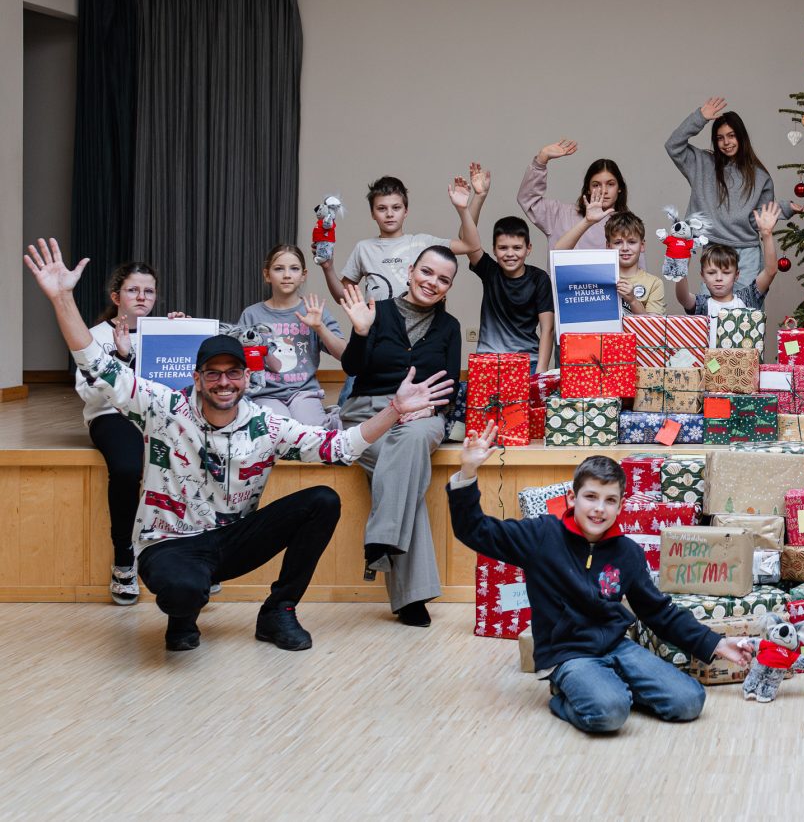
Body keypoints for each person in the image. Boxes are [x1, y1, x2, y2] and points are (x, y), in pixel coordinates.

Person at [24, 238, 452, 652]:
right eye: (213, 373)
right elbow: (95, 363)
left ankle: (278, 611)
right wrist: (62, 298)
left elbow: (338, 447)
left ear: (248, 379)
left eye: (233, 373)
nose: (224, 382)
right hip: (170, 544)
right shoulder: (163, 407)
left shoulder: (265, 425)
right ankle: (183, 615)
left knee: (322, 500)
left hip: (230, 541)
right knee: (184, 588)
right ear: (196, 378)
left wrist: (395, 409)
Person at [447, 434, 750, 733]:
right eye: (590, 497)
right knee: (610, 714)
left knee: (690, 701)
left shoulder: (627, 552)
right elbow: (474, 530)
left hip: (616, 646)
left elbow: (659, 612)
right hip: (568, 654)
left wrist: (716, 643)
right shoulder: (540, 536)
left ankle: (610, 688)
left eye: (610, 501)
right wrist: (468, 471)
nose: (599, 509)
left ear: (620, 506)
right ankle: (569, 697)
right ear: (572, 498)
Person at [337, 247, 463, 629]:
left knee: (409, 446)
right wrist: (361, 332)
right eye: (426, 272)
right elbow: (352, 367)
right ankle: (409, 594)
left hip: (422, 417)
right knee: (405, 477)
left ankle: (382, 540)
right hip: (368, 414)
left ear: (449, 287)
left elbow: (450, 386)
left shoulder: (449, 327)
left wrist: (428, 408)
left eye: (443, 279)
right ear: (410, 271)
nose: (432, 282)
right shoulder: (376, 311)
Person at [76, 261, 161, 604]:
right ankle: (124, 559)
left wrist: (184, 334)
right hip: (111, 415)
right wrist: (122, 360)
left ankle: (194, 552)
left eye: (149, 291)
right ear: (116, 297)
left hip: (157, 413)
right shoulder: (95, 336)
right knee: (127, 468)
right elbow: (89, 393)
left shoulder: (161, 331)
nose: (142, 297)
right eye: (133, 290)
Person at [666, 97, 804, 280]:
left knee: (747, 300)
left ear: (741, 137)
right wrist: (699, 118)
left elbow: (757, 220)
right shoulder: (701, 164)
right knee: (711, 300)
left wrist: (785, 208)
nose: (726, 142)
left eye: (731, 135)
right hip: (713, 251)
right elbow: (673, 145)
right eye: (720, 138)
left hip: (747, 254)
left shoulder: (760, 177)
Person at [455, 172, 555, 372]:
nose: (510, 254)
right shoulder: (490, 271)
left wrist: (541, 370)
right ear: (494, 249)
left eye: (517, 248)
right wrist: (479, 197)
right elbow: (466, 239)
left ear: (528, 248)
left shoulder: (539, 279)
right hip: (488, 360)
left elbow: (548, 328)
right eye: (503, 248)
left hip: (529, 361)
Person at [322, 174, 475, 304]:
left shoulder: (423, 243)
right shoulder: (364, 248)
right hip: (376, 327)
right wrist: (328, 268)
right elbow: (343, 297)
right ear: (373, 213)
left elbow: (470, 245)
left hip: (417, 327)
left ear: (405, 211)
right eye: (381, 208)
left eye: (396, 208)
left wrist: (462, 209)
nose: (389, 214)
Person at [237, 244, 346, 427]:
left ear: (303, 275)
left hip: (304, 392)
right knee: (280, 429)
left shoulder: (314, 310)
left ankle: (331, 420)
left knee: (311, 431)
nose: (287, 275)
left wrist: (320, 327)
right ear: (267, 275)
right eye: (279, 269)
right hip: (266, 394)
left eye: (294, 269)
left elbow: (345, 355)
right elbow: (237, 358)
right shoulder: (252, 314)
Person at [673, 203, 781, 344]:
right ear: (703, 276)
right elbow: (682, 297)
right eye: (711, 273)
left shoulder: (747, 298)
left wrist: (766, 234)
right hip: (709, 359)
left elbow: (771, 271)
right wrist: (682, 258)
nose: (719, 278)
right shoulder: (703, 305)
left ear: (736, 275)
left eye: (726, 273)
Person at [518, 138, 634, 256]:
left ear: (620, 188)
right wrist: (541, 160)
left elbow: (637, 266)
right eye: (596, 185)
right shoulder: (560, 215)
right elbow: (528, 199)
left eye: (610, 184)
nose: (603, 191)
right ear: (588, 189)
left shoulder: (629, 224)